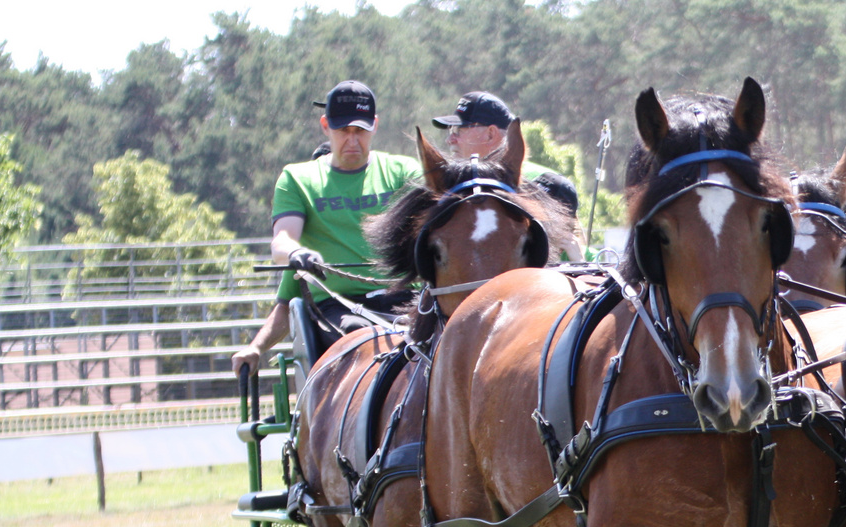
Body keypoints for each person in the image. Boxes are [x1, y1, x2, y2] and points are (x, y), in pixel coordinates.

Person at [231, 81, 422, 373]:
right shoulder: (298, 179)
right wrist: (297, 254)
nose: (352, 140)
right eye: (343, 131)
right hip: (338, 308)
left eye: (360, 131)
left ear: (375, 126)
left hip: (404, 300)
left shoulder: (405, 173)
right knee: (357, 336)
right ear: (325, 126)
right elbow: (282, 241)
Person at [433, 91, 584, 261]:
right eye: (451, 131)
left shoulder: (546, 184)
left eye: (458, 129)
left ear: (490, 134)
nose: (450, 139)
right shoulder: (451, 184)